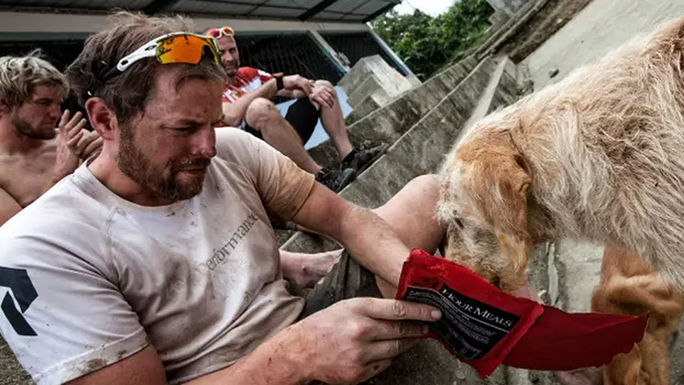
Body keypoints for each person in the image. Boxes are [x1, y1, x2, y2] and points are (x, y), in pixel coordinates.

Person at [0, 12, 447, 385]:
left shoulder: (229, 147)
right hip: (232, 372)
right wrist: (296, 356)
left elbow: (347, 219)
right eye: (183, 129)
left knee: (431, 193)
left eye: (212, 123)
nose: (208, 147)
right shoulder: (38, 247)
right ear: (105, 119)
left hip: (305, 322)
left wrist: (420, 278)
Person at [206, 26, 386, 192]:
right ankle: (320, 177)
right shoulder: (205, 86)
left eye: (232, 50)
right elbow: (231, 116)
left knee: (323, 87)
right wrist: (277, 83)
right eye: (221, 53)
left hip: (279, 145)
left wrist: (310, 87)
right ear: (210, 57)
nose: (229, 58)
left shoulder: (247, 74)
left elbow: (291, 91)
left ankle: (350, 157)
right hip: (252, 161)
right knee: (259, 108)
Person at [0, 53, 102, 226]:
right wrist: (61, 175)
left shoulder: (76, 141)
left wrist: (113, 154)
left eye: (58, 103)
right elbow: (18, 235)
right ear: (3, 104)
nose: (56, 114)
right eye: (44, 103)